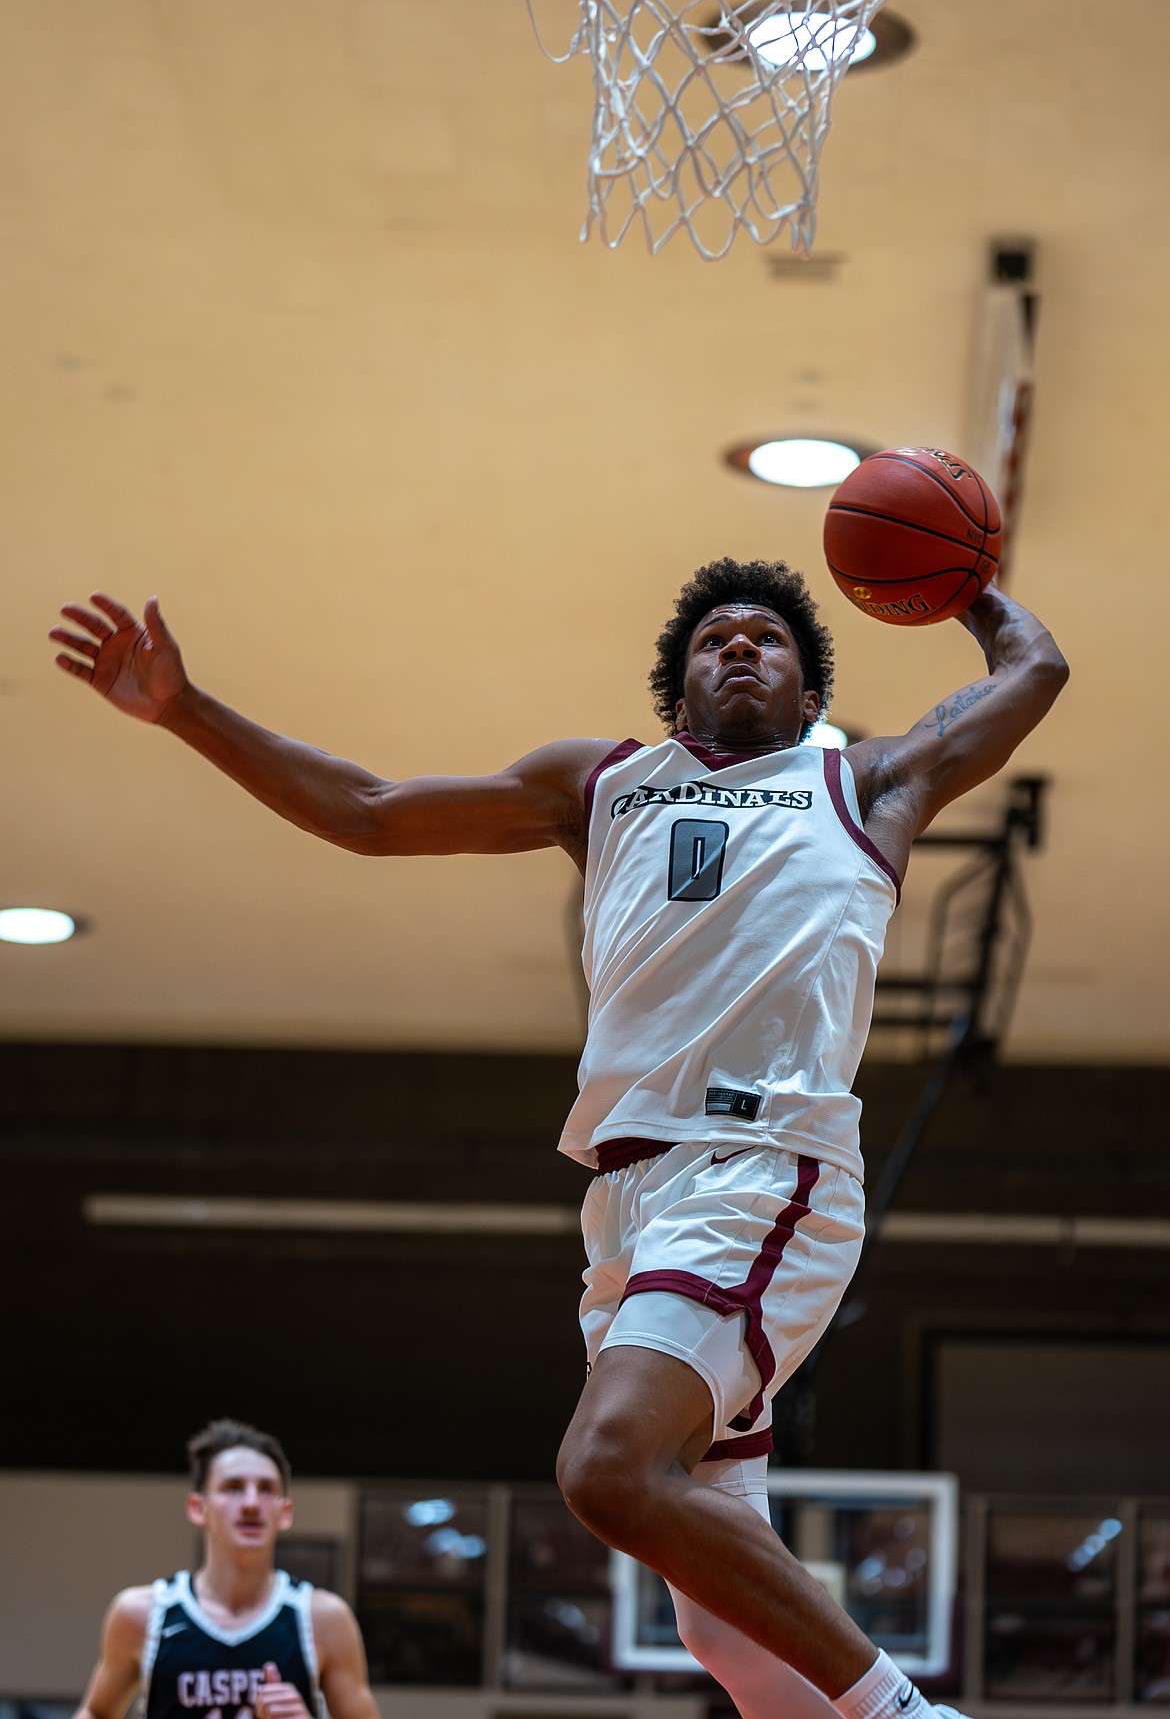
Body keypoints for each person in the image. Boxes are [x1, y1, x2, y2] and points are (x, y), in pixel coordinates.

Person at [52, 555, 1067, 1719]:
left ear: (809, 688)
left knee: (607, 1472)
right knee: (724, 1632)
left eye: (770, 640)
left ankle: (909, 1715)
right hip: (627, 1205)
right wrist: (184, 709)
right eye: (714, 639)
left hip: (757, 1170)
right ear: (677, 689)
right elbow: (370, 813)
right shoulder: (599, 784)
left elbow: (1035, 668)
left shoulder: (865, 780)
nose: (741, 647)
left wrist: (964, 580)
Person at [73, 1418, 379, 1719]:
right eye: (233, 1487)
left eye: (266, 1489)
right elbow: (95, 1712)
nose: (251, 1503)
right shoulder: (141, 1614)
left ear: (285, 1513)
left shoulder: (323, 1619)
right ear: (198, 1507)